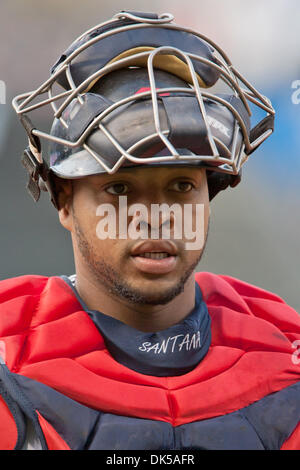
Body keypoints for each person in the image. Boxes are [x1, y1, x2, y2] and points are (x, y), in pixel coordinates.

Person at [1, 10, 299, 450]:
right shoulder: (9, 360)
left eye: (181, 186)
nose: (156, 216)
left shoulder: (286, 353)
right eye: (119, 187)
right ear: (65, 201)